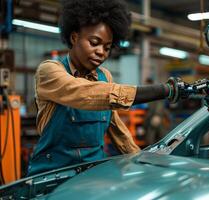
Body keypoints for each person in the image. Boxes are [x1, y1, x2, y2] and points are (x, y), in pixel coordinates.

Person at [27, 0, 193, 176]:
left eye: (107, 48)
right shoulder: (49, 71)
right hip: (51, 176)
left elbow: (117, 129)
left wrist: (142, 161)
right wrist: (164, 90)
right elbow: (84, 94)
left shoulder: (105, 76)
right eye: (94, 42)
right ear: (74, 37)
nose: (101, 52)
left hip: (93, 174)